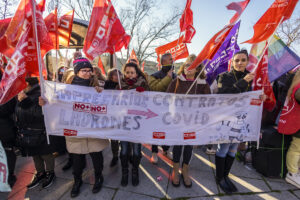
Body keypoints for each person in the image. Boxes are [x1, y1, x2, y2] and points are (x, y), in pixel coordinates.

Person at [40, 58, 109, 197]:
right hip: (75, 130)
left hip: (93, 129)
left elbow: (107, 103)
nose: (87, 73)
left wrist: (102, 93)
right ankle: (77, 180)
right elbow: (55, 102)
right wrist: (45, 102)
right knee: (77, 159)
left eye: (89, 70)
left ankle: (98, 177)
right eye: (84, 70)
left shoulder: (97, 86)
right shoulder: (66, 89)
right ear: (77, 72)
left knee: (96, 156)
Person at [167, 55, 211, 188]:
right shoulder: (177, 81)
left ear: (198, 69)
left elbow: (209, 103)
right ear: (183, 67)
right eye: (187, 65)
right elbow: (166, 97)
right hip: (178, 120)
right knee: (177, 145)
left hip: (193, 122)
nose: (189, 68)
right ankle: (175, 170)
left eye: (192, 66)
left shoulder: (203, 84)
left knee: (188, 146)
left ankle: (185, 170)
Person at [215, 49, 254, 194]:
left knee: (233, 149)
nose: (240, 63)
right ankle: (219, 178)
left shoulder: (252, 76)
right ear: (232, 62)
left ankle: (226, 176)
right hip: (226, 119)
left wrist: (260, 97)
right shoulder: (224, 76)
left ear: (247, 61)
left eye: (243, 60)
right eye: (237, 60)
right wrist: (243, 82)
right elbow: (224, 94)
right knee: (223, 148)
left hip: (243, 119)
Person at [16, 77, 56, 189]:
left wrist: (24, 102)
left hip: (40, 131)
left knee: (45, 154)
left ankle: (50, 173)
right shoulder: (22, 94)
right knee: (35, 155)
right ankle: (40, 173)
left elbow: (40, 115)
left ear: (27, 83)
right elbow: (18, 113)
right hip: (27, 131)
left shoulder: (40, 94)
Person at [118, 62, 149, 187]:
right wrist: (117, 94)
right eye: (127, 72)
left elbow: (150, 102)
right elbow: (113, 103)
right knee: (124, 150)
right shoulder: (120, 85)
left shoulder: (143, 84)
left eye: (132, 72)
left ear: (136, 73)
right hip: (124, 123)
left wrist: (144, 95)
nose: (130, 75)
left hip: (138, 123)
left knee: (136, 151)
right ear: (124, 73)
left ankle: (135, 171)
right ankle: (125, 172)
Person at [148, 53, 176, 164]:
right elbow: (156, 88)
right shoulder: (153, 75)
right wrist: (168, 78)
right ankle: (154, 152)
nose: (173, 61)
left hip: (170, 109)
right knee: (156, 131)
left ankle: (166, 150)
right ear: (163, 62)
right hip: (157, 109)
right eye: (170, 59)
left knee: (167, 131)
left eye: (172, 59)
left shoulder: (175, 76)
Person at [282, 70, 300, 188]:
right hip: (297, 121)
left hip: (295, 119)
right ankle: (292, 173)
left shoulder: (296, 81)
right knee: (297, 147)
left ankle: (295, 171)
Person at [0, 70, 17, 187]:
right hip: (5, 126)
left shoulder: (6, 89)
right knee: (8, 152)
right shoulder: (6, 88)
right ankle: (8, 175)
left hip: (4, 127)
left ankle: (9, 176)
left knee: (7, 151)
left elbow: (9, 108)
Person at [104, 69, 122, 167]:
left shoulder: (124, 84)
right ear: (111, 76)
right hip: (112, 114)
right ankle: (115, 155)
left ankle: (126, 154)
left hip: (123, 114)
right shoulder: (107, 84)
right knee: (114, 138)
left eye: (119, 74)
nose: (117, 76)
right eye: (115, 75)